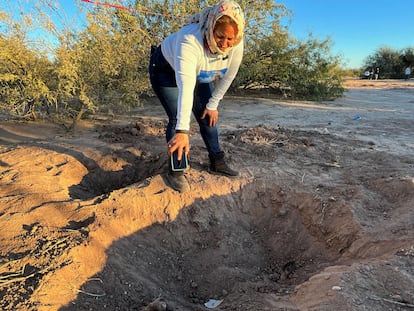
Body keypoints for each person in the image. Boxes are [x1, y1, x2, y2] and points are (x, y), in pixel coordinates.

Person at [149, 0, 245, 192]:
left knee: (207, 115)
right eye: (220, 37)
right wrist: (183, 132)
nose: (225, 44)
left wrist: (213, 104)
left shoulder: (237, 43)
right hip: (165, 70)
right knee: (177, 118)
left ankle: (217, 162)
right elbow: (186, 86)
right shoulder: (189, 39)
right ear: (211, 27)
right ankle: (176, 171)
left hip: (202, 72)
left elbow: (229, 76)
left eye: (230, 39)